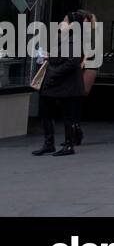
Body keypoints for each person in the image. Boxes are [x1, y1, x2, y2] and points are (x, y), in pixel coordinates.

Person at [31, 11, 91, 157]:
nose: (61, 23)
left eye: (64, 20)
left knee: (68, 116)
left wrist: (53, 72)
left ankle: (69, 145)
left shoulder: (75, 40)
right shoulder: (62, 38)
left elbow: (72, 62)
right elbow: (61, 58)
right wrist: (48, 56)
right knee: (45, 111)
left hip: (66, 84)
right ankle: (49, 143)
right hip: (55, 83)